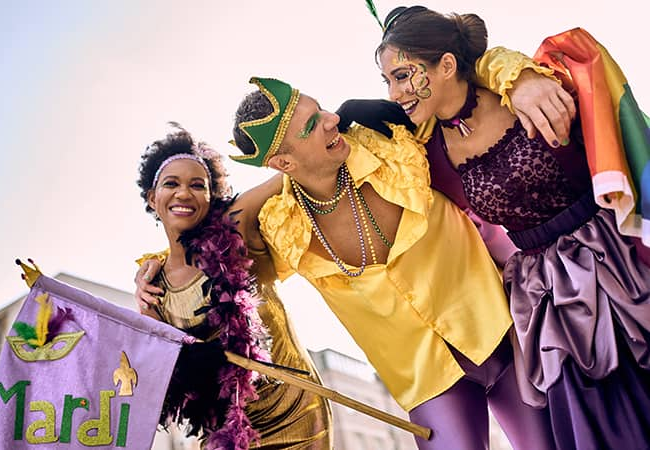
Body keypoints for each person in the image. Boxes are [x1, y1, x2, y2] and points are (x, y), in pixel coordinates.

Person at [369, 6, 650, 449]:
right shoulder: (428, 156)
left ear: (446, 65)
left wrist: (513, 72)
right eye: (387, 80)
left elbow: (587, 77)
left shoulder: (528, 87)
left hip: (616, 264)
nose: (395, 91)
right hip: (545, 299)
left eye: (403, 75)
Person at [228, 76, 556, 450]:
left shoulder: (389, 143)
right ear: (282, 161)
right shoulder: (282, 224)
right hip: (428, 384)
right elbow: (218, 230)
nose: (332, 119)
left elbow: (457, 86)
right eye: (311, 124)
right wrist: (286, 178)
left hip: (502, 332)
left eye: (321, 109)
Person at [135, 126, 333, 450]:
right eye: (171, 183)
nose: (184, 193)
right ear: (152, 198)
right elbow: (171, 377)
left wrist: (328, 125)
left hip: (295, 412)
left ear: (211, 197)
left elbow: (290, 174)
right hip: (226, 431)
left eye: (197, 185)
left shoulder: (235, 229)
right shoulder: (153, 287)